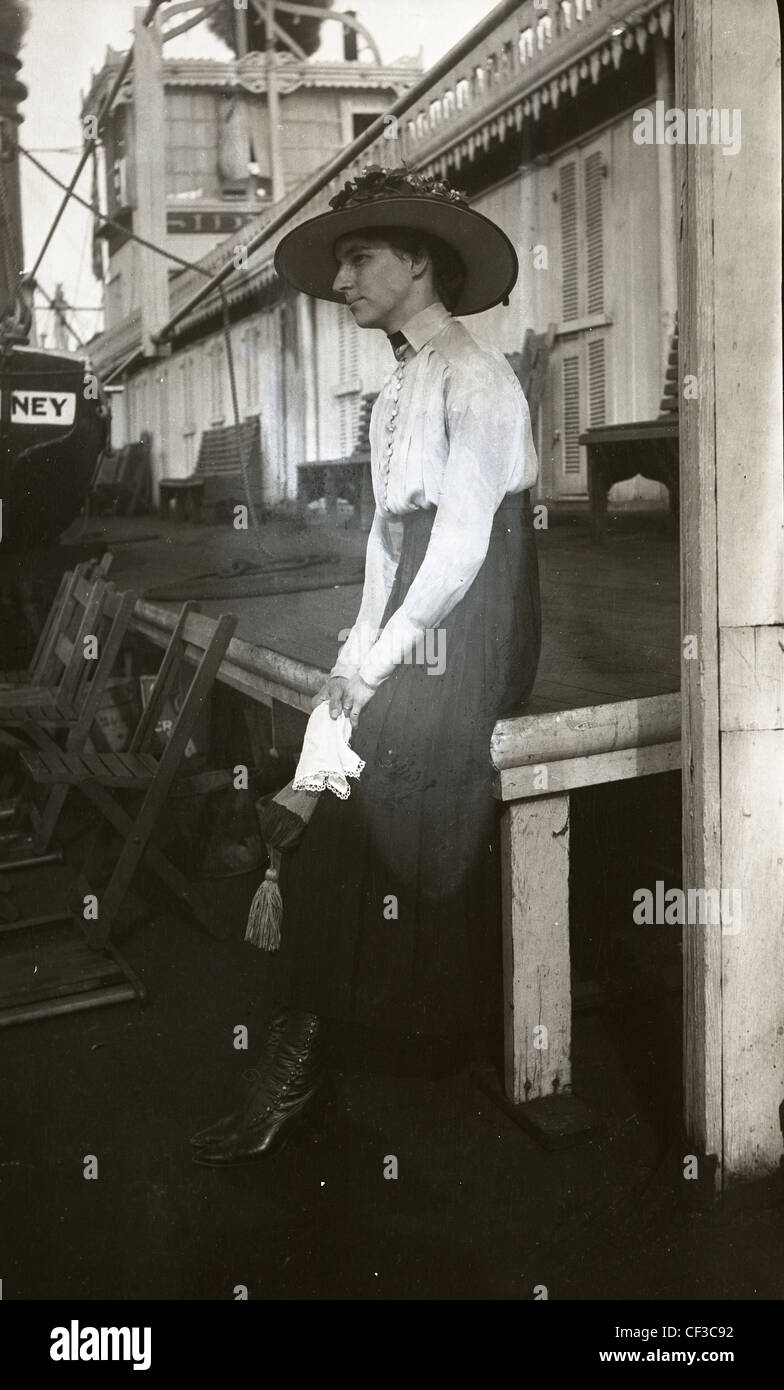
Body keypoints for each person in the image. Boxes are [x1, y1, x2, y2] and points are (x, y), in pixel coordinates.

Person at [190, 166, 541, 1167]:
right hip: (419, 609)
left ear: (418, 262)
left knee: (359, 783)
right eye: (339, 262)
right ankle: (300, 1055)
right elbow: (387, 549)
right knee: (329, 740)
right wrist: (350, 661)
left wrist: (379, 670)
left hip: (480, 619)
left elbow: (460, 551)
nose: (341, 280)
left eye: (360, 258)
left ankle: (294, 1068)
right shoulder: (393, 391)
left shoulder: (477, 376)